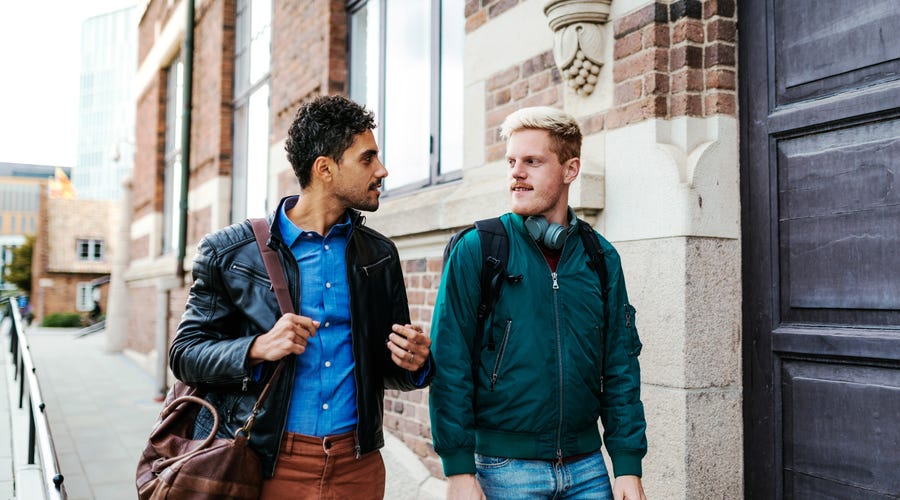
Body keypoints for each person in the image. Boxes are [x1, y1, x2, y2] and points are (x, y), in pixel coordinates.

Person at [169, 95, 432, 499]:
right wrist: (257, 347)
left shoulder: (379, 255)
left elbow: (382, 367)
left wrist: (413, 363)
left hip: (357, 467)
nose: (382, 170)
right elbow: (185, 355)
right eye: (367, 159)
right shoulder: (229, 253)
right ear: (324, 169)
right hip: (268, 463)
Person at [429, 106, 647, 500]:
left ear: (570, 169)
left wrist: (627, 465)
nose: (516, 171)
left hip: (588, 468)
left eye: (532, 161)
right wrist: (458, 471)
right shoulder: (478, 250)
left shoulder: (600, 257)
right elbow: (450, 362)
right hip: (503, 469)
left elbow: (620, 365)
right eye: (512, 161)